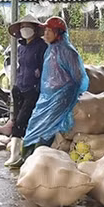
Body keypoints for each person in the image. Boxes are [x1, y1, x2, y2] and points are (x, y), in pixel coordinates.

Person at [21, 17, 88, 162]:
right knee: (34, 124)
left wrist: (68, 92)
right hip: (46, 96)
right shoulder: (49, 49)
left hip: (61, 96)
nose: (46, 34)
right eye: (45, 30)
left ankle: (35, 159)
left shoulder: (69, 52)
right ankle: (25, 157)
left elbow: (78, 77)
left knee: (46, 127)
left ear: (58, 32)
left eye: (49, 30)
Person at [0, 15, 49, 167]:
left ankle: (15, 155)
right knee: (18, 119)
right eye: (22, 27)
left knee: (21, 121)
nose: (24, 29)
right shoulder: (21, 48)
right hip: (19, 87)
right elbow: (21, 67)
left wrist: (40, 85)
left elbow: (45, 69)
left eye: (28, 26)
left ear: (34, 29)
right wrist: (15, 85)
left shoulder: (42, 47)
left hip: (33, 89)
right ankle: (19, 150)